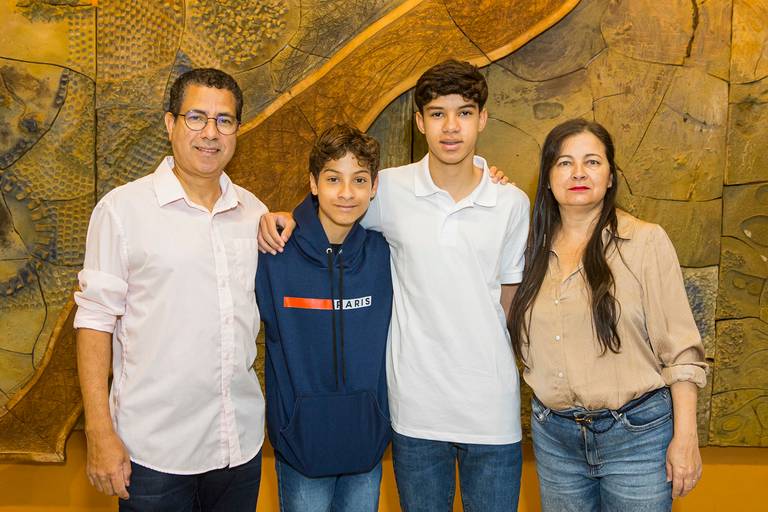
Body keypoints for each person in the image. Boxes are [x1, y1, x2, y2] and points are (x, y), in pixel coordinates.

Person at [260, 59, 530, 511]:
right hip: (415, 411)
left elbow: (508, 302)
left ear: (482, 119)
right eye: (438, 114)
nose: (451, 127)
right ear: (420, 121)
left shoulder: (511, 203)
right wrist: (282, 218)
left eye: (464, 113)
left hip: (491, 408)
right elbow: (335, 200)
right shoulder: (388, 190)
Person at [74, 68, 265, 511]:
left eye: (224, 120)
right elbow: (94, 322)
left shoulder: (252, 211)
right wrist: (99, 432)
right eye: (196, 117)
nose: (210, 133)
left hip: (238, 445)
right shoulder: (122, 211)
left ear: (237, 129)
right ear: (170, 123)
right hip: (153, 454)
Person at [507, 118, 707, 512]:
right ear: (547, 178)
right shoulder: (527, 249)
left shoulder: (646, 242)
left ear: (611, 176)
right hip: (555, 438)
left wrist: (686, 438)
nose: (578, 173)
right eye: (565, 162)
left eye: (592, 162)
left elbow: (681, 353)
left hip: (637, 438)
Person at [255, 123, 392, 511]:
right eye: (333, 179)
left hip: (365, 441)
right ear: (313, 183)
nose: (346, 192)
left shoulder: (385, 253)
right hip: (301, 444)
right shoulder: (274, 252)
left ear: (374, 187)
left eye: (359, 180)